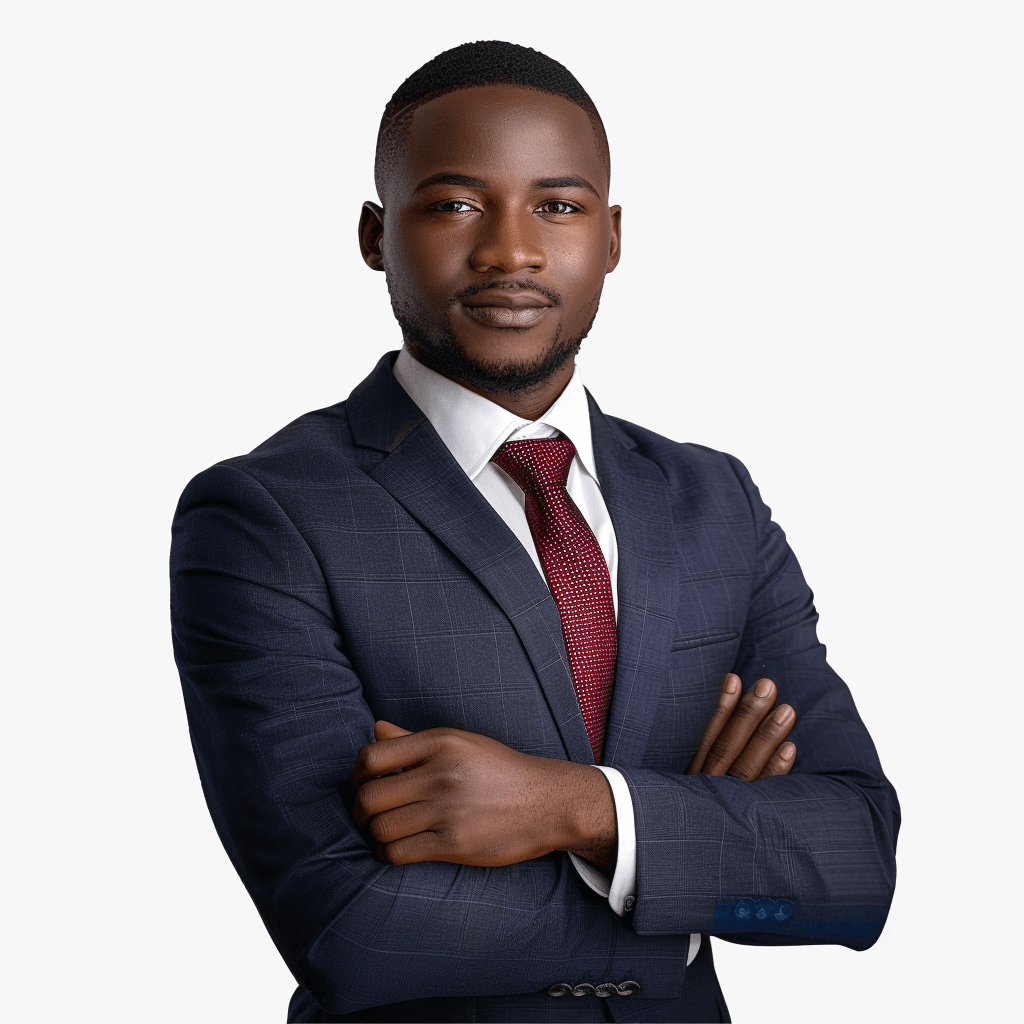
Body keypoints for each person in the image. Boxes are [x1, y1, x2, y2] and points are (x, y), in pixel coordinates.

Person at [170, 40, 899, 1024]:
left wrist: (578, 808)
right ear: (376, 234)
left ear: (611, 236)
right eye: (455, 203)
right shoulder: (268, 517)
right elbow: (347, 924)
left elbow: (854, 864)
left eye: (556, 205)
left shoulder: (711, 500)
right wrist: (691, 869)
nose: (510, 250)